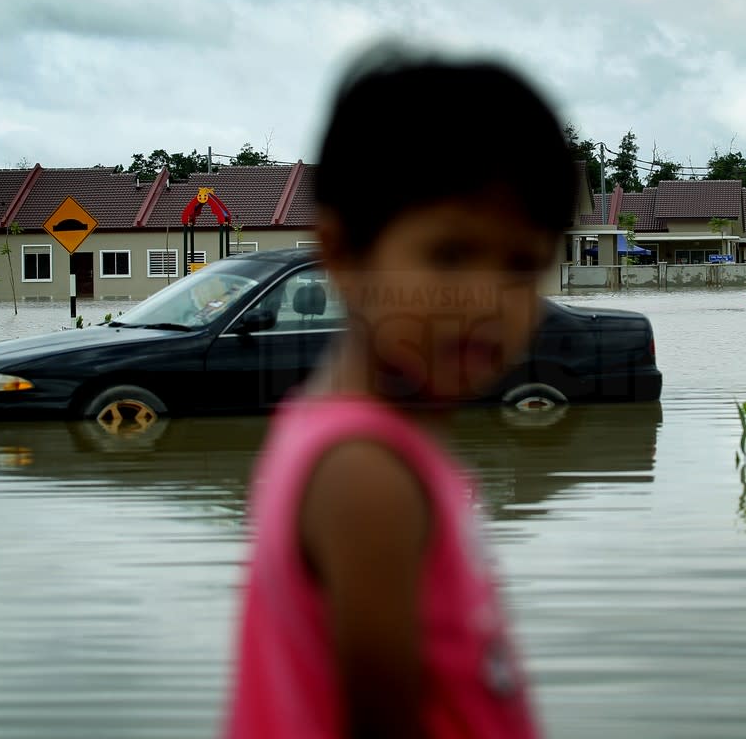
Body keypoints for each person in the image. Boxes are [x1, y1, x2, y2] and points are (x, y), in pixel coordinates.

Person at [225, 43, 574, 739]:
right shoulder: (366, 474)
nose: (487, 298)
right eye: (449, 254)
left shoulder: (349, 434)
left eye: (522, 264)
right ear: (343, 254)